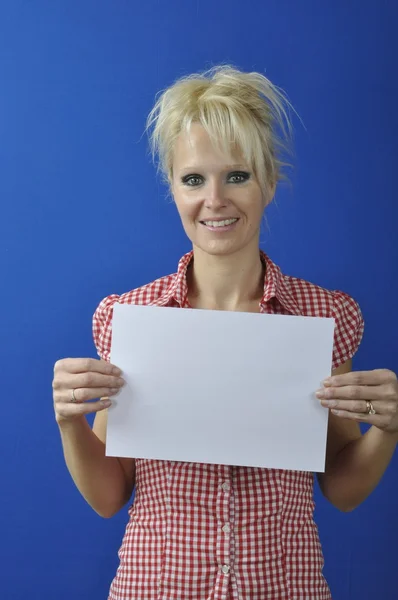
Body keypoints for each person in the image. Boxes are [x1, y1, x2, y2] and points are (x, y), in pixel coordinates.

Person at [53, 65, 398, 600]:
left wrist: (388, 430)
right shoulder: (131, 316)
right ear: (173, 188)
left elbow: (342, 487)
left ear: (269, 183)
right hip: (156, 588)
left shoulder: (322, 316)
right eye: (194, 179)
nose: (214, 199)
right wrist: (70, 422)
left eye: (237, 175)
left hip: (286, 588)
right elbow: (108, 494)